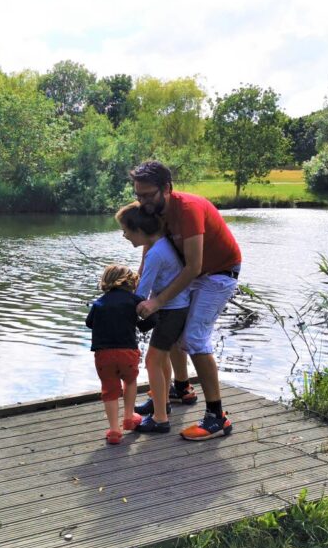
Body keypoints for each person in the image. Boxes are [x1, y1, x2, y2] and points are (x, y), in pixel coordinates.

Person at [129, 160, 242, 441]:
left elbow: (193, 267)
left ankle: (217, 418)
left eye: (148, 195)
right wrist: (140, 285)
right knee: (173, 323)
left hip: (217, 274)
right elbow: (150, 243)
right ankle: (180, 389)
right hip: (194, 271)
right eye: (138, 195)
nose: (142, 202)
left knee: (194, 339)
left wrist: (155, 303)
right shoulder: (155, 210)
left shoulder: (188, 210)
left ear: (167, 188)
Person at [114, 202, 190, 435]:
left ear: (139, 229)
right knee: (161, 358)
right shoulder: (160, 245)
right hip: (174, 308)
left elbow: (141, 294)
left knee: (152, 361)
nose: (124, 235)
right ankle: (162, 403)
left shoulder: (156, 253)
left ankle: (160, 419)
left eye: (126, 230)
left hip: (172, 311)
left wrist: (114, 303)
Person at [85, 264, 156, 444]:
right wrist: (139, 325)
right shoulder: (136, 300)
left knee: (109, 390)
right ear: (130, 282)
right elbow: (152, 320)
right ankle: (129, 418)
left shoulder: (99, 303)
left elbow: (89, 323)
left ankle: (115, 430)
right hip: (128, 352)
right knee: (130, 381)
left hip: (104, 354)